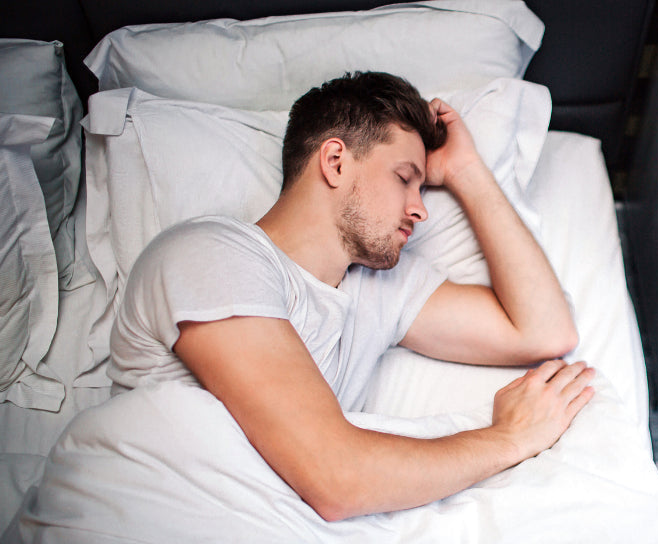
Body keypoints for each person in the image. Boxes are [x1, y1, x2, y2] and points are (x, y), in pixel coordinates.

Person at [107, 71, 595, 522]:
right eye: (404, 178)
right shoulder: (211, 254)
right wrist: (509, 437)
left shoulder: (379, 291)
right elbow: (336, 478)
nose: (420, 209)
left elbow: (543, 331)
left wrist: (467, 171)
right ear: (335, 161)